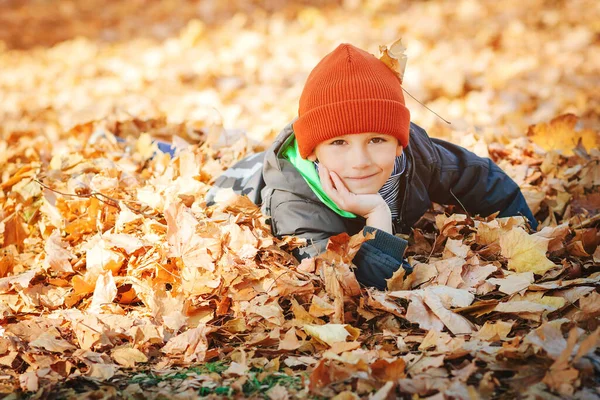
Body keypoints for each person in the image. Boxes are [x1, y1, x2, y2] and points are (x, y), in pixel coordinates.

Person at [206, 43, 537, 290]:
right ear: (313, 151)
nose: (360, 161)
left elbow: (484, 180)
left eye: (377, 140)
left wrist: (528, 240)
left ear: (398, 142)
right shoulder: (296, 202)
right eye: (338, 142)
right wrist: (378, 215)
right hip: (238, 184)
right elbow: (363, 281)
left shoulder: (420, 156)